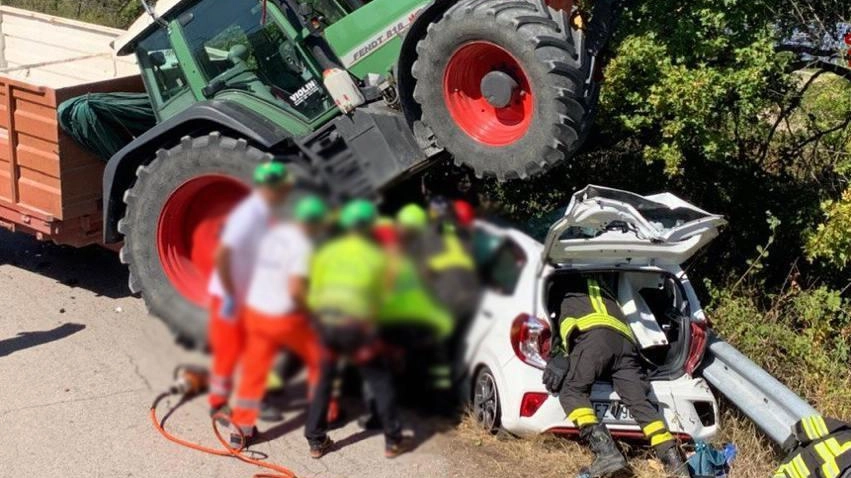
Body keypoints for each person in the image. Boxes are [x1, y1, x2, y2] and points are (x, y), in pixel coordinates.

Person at [542, 274, 689, 478]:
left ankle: (606, 453)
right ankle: (675, 463)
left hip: (594, 338)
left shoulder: (563, 282)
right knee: (640, 402)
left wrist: (558, 354)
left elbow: (551, 323)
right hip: (626, 343)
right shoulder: (606, 283)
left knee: (572, 391)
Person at [304, 199, 410, 459]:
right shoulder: (375, 257)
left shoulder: (327, 253)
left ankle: (316, 441)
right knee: (380, 380)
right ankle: (393, 440)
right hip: (357, 328)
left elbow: (314, 293)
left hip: (327, 324)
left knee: (324, 381)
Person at [229, 195, 329, 444]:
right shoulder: (303, 246)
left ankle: (239, 433)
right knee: (321, 364)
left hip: (256, 312)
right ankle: (317, 437)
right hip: (283, 318)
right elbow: (296, 290)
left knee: (254, 371)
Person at [207, 162, 293, 416]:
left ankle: (259, 393)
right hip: (229, 295)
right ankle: (219, 404)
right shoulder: (248, 216)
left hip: (247, 293)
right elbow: (223, 255)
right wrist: (231, 295)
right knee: (231, 351)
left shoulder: (267, 213)